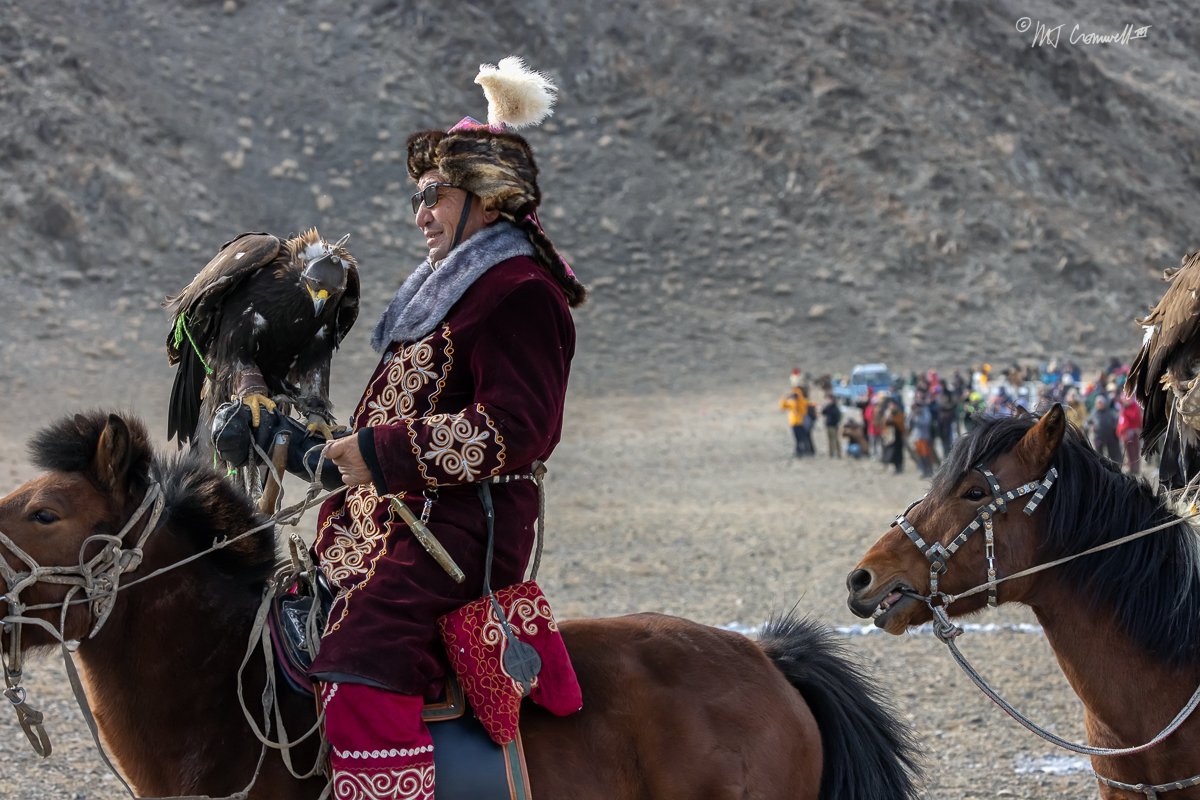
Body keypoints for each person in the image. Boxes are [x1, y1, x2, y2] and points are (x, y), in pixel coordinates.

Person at [316, 57, 585, 799]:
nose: (419, 214)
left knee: (358, 661)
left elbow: (520, 425)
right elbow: (396, 413)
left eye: (434, 196)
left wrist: (380, 451)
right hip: (394, 520)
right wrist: (328, 451)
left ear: (488, 201)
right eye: (417, 197)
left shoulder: (519, 292)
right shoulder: (454, 292)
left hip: (467, 529)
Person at [779, 380, 812, 457]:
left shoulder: (802, 400)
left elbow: (803, 409)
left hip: (801, 422)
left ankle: (804, 451)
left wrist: (798, 399)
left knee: (802, 438)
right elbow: (782, 406)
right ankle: (799, 451)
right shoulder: (791, 401)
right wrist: (785, 398)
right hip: (794, 422)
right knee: (797, 439)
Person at [1086, 395, 1122, 465]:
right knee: (1099, 455)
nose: (1100, 404)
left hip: (1111, 437)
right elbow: (1087, 422)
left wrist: (1116, 429)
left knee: (1114, 455)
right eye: (1098, 403)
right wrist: (1090, 426)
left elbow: (1117, 420)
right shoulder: (1094, 412)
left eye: (1101, 403)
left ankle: (1116, 466)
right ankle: (1101, 467)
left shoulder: (1110, 412)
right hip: (1099, 437)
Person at [1117, 397, 1143, 474]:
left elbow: (1135, 418)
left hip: (1134, 434)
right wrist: (1121, 432)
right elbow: (1121, 421)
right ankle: (1131, 468)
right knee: (1129, 453)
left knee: (1135, 452)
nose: (1125, 401)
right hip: (1126, 435)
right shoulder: (1123, 408)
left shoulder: (1135, 407)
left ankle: (1136, 469)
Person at [821, 394, 842, 458]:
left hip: (833, 426)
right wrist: (826, 405)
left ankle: (838, 454)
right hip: (829, 425)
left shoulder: (835, 407)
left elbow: (838, 417)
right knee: (830, 440)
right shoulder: (829, 407)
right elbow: (823, 412)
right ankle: (831, 454)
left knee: (835, 440)